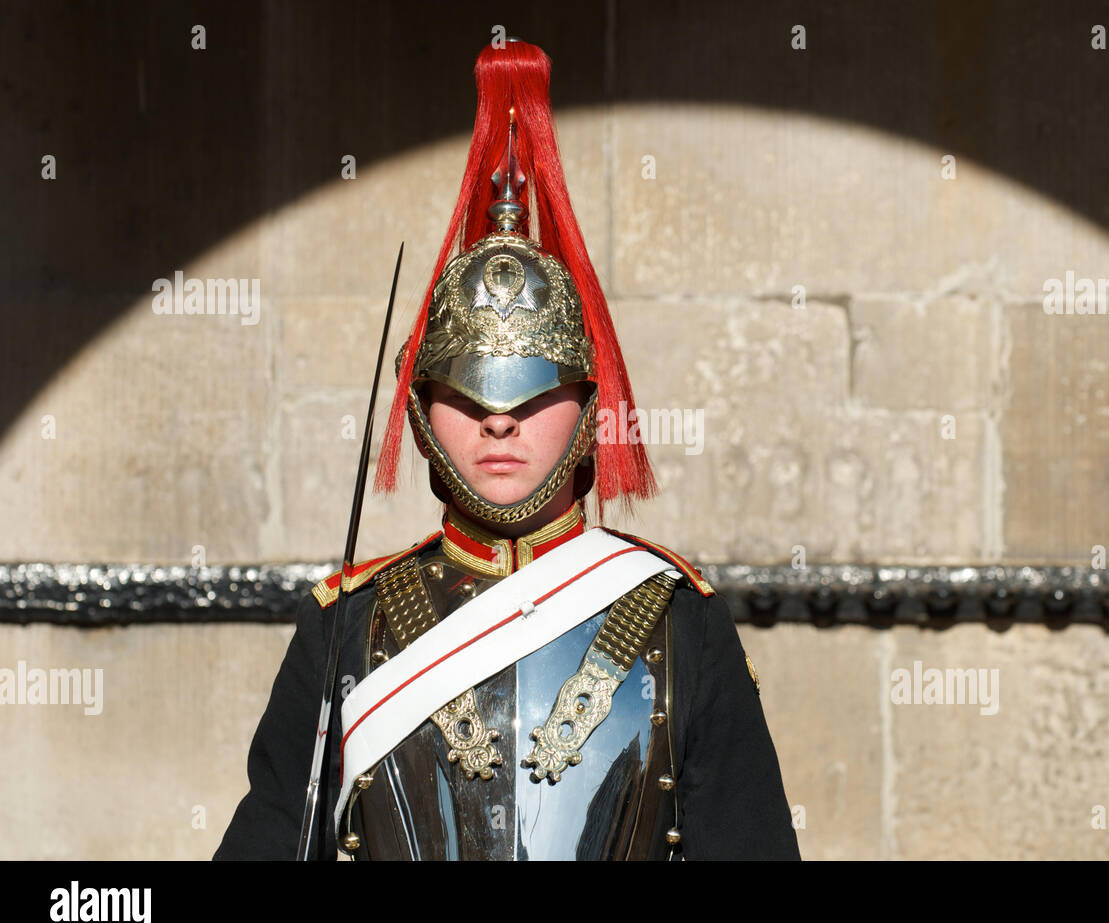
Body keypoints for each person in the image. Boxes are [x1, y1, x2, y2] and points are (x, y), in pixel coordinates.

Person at [214, 37, 798, 861]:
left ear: (590, 410)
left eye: (532, 393)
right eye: (466, 394)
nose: (498, 422)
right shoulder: (347, 624)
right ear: (420, 414)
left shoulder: (679, 618)